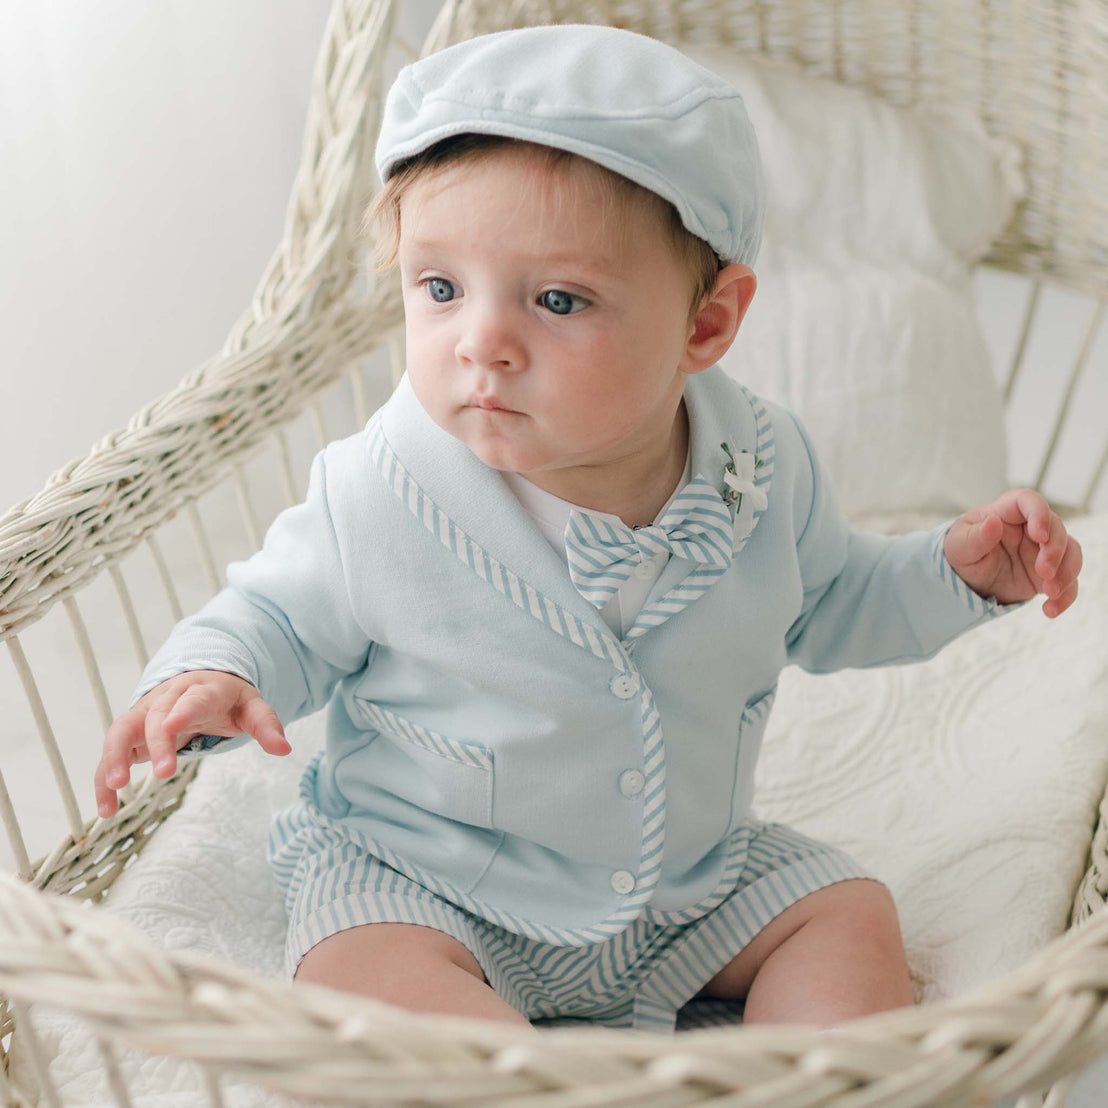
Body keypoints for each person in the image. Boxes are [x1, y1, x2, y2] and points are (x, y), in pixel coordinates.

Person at [93, 24, 1082, 1034]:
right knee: (364, 980)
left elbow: (830, 600)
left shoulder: (760, 465)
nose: (481, 342)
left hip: (687, 883)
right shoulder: (381, 488)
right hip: (430, 883)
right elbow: (277, 615)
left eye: (557, 299)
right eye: (439, 288)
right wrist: (212, 674)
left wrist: (956, 574)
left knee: (848, 916)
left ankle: (803, 1079)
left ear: (706, 324)